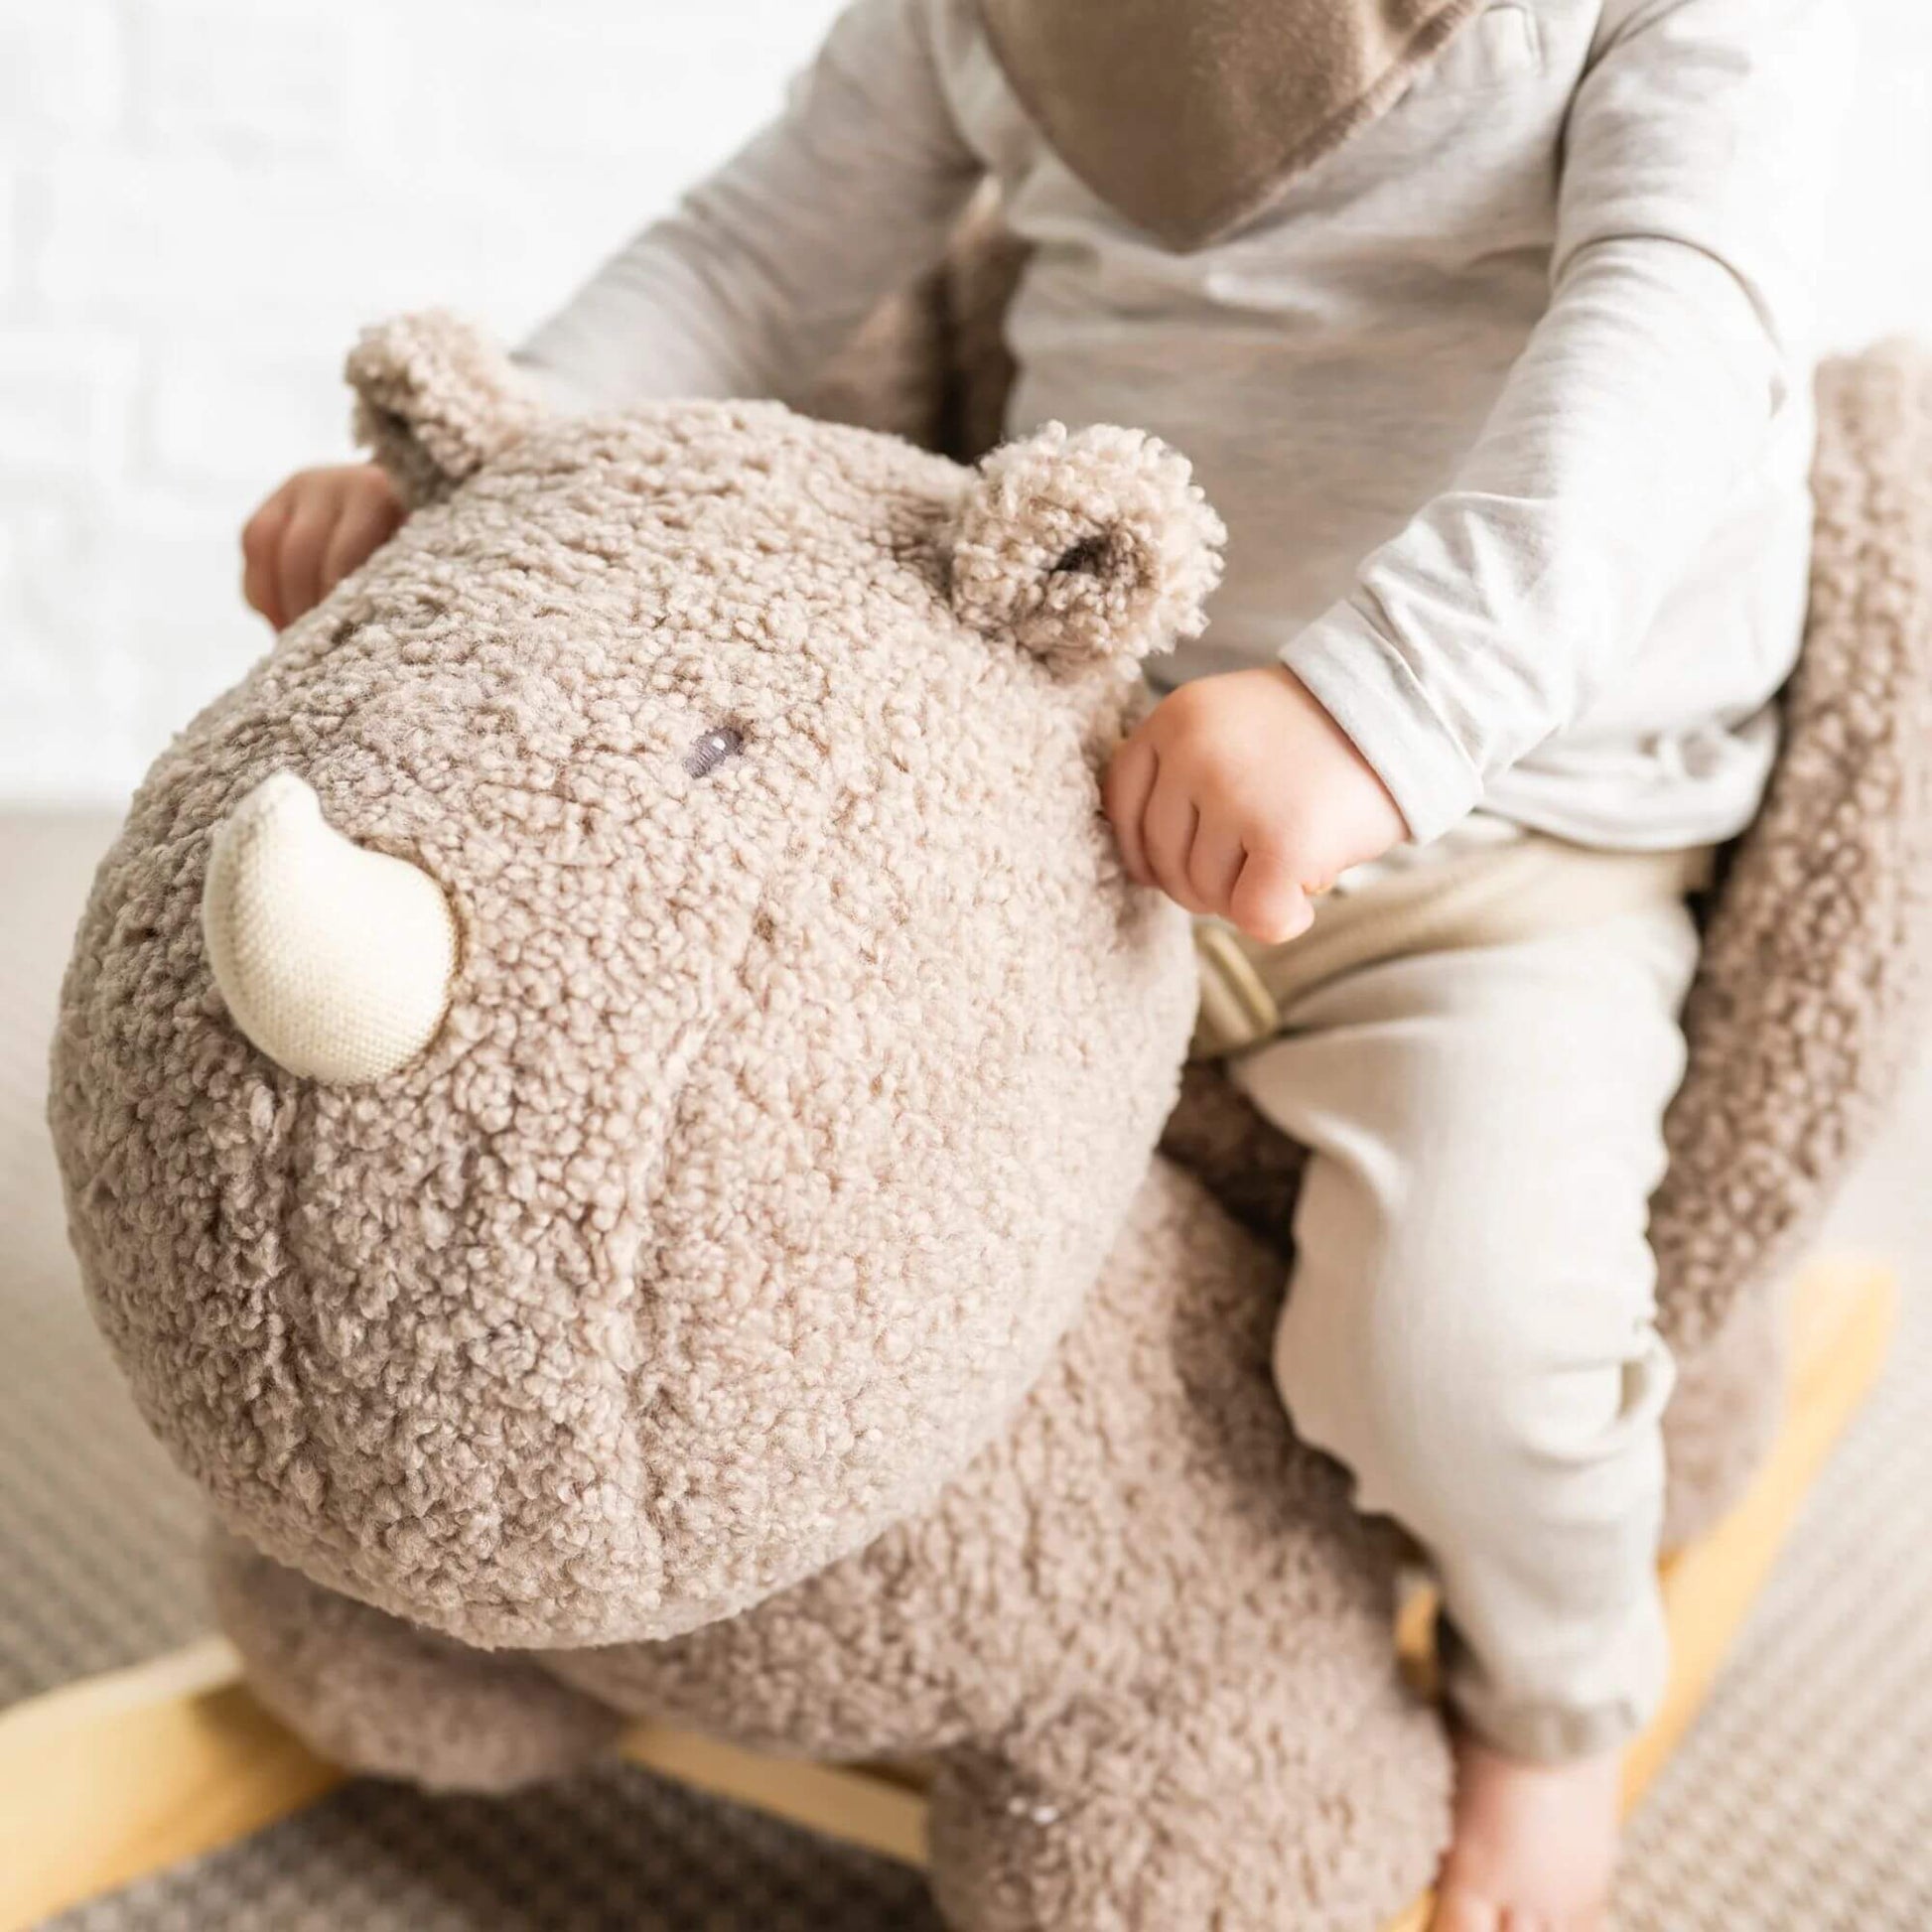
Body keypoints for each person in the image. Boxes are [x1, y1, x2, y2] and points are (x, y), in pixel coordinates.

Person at [238, 4, 1851, 1921]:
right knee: (743, 1137)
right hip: (1072, 774)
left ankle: (1552, 1701)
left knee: (1459, 1339)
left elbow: (1676, 346)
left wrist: (1376, 710)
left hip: (1506, 837)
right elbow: (755, 261)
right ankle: (620, 1544)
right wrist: (501, 464)